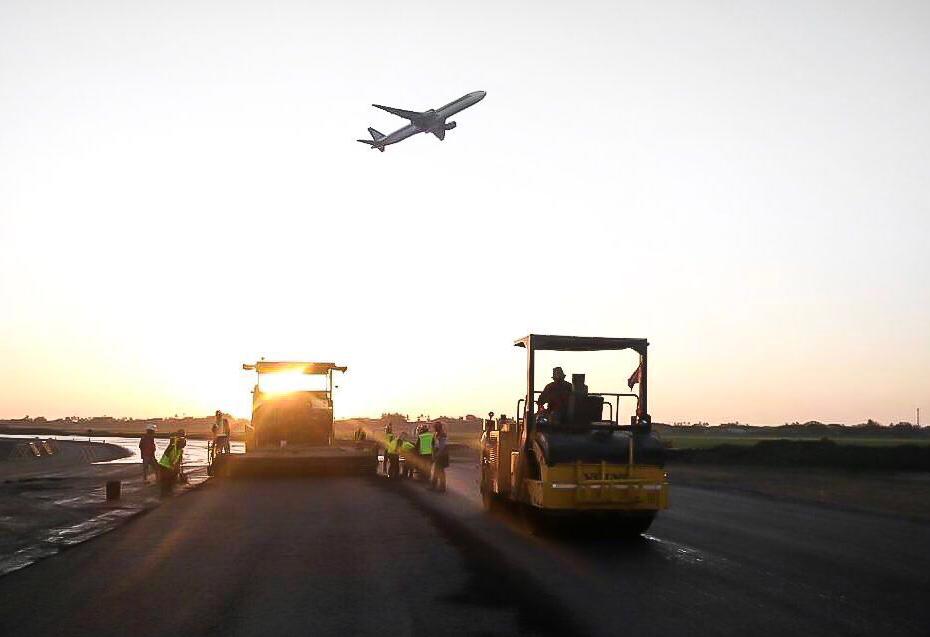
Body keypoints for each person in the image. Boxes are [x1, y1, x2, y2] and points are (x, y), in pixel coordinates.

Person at [430, 422, 449, 493]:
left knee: (440, 471)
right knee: (437, 471)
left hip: (442, 455)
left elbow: (442, 446)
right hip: (439, 454)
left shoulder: (442, 435)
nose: (434, 428)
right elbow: (434, 444)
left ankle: (441, 487)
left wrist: (437, 454)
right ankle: (435, 486)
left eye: (435, 427)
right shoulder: (436, 434)